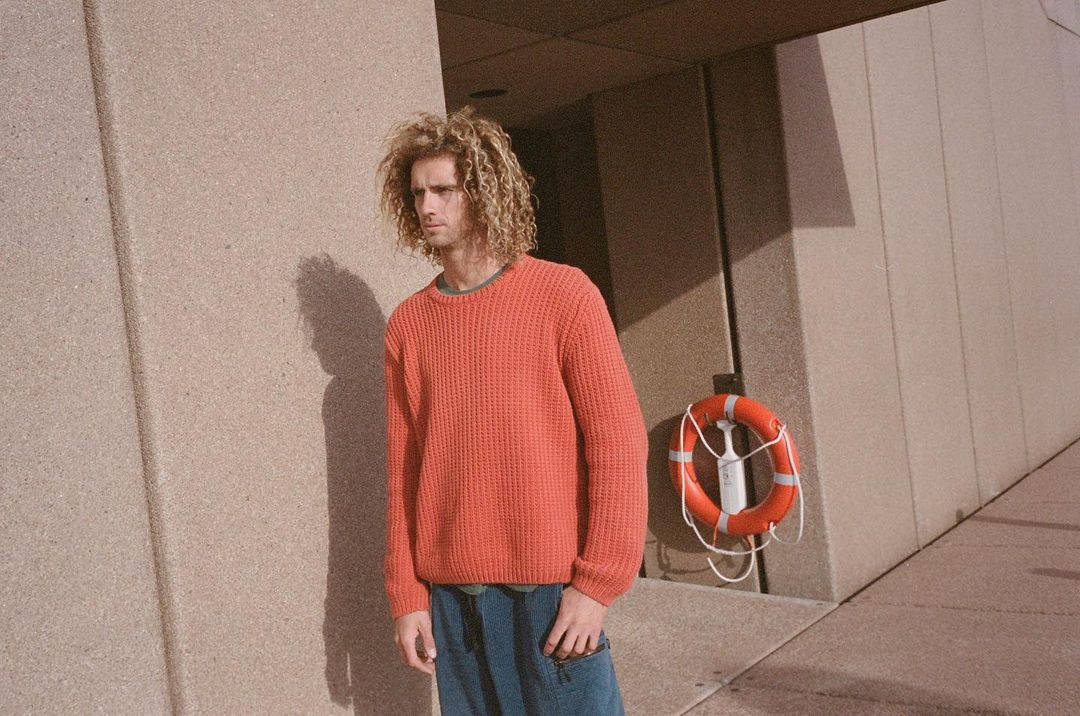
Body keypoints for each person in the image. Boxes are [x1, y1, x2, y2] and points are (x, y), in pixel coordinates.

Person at [377, 105, 649, 715]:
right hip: (454, 606)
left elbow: (618, 443)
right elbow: (404, 472)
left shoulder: (564, 294)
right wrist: (407, 595)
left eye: (444, 190)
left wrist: (597, 584)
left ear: (484, 193)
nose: (427, 206)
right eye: (418, 193)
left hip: (551, 597)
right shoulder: (408, 326)